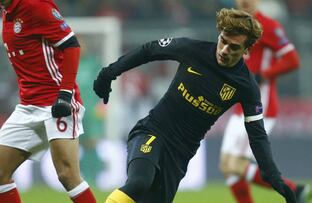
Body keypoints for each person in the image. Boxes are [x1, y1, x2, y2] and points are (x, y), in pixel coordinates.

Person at [94, 8, 297, 203]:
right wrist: (109, 73)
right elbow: (150, 50)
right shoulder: (193, 50)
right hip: (153, 131)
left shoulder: (247, 86)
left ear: (247, 49)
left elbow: (257, 136)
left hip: (180, 154)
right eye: (223, 41)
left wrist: (274, 178)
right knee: (139, 183)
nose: (225, 50)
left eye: (234, 47)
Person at [0, 1, 96, 203]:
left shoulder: (36, 6)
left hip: (56, 102)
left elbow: (71, 45)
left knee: (67, 175)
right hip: (28, 107)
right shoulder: (6, 12)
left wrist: (65, 93)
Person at [219, 0, 312, 203]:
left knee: (233, 164)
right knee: (229, 168)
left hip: (260, 105)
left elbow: (292, 59)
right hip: (240, 104)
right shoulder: (235, 25)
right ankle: (294, 191)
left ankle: (294, 191)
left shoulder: (268, 26)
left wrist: (263, 75)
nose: (244, 1)